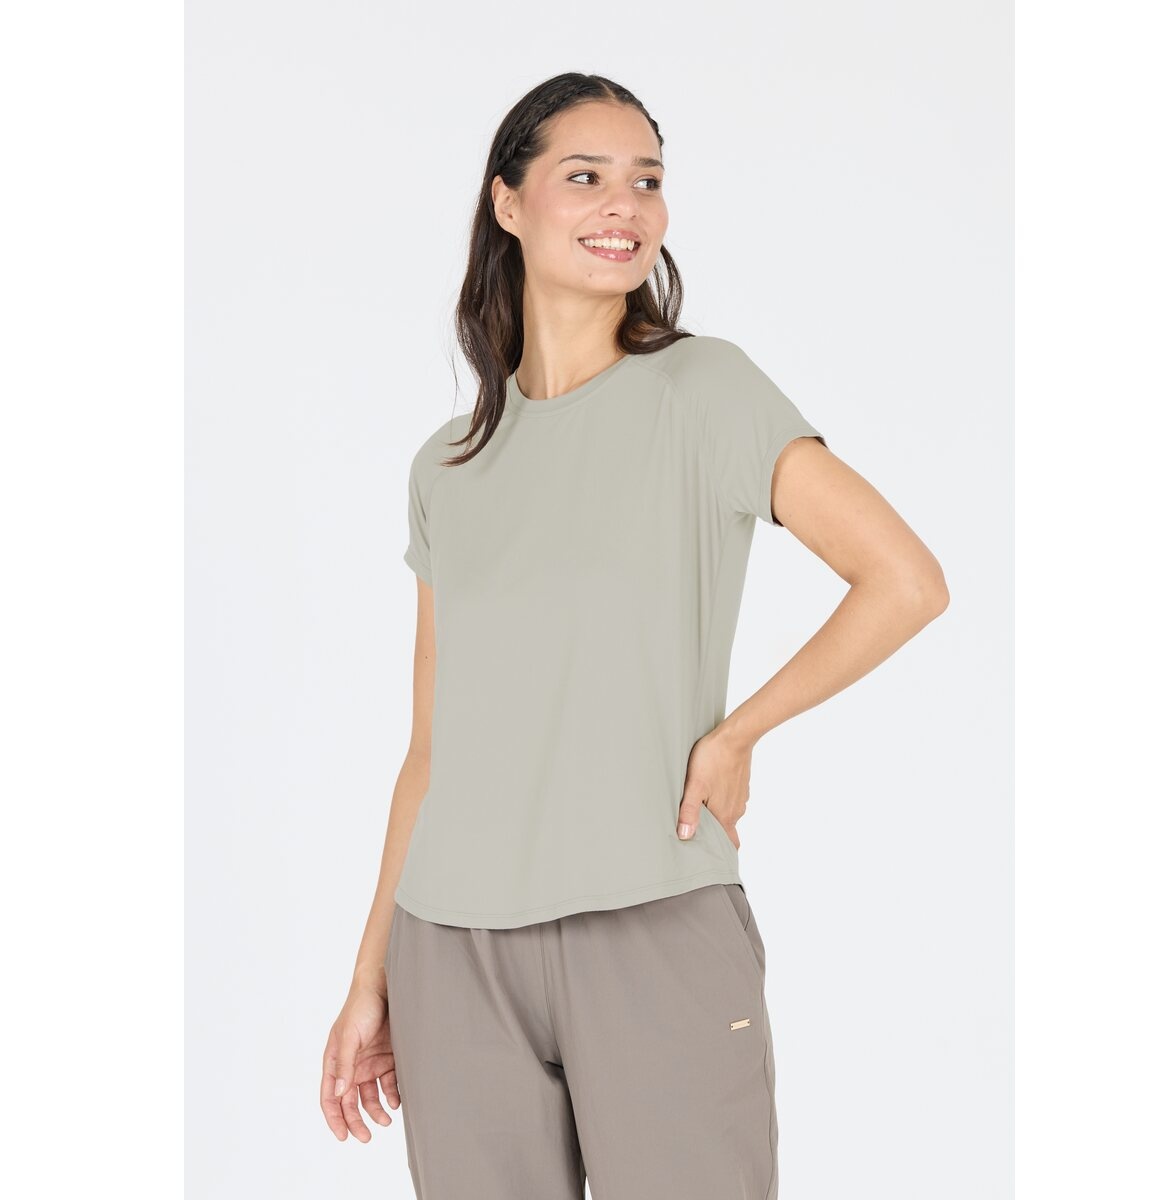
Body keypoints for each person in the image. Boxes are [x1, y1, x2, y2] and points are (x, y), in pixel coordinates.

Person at [320, 72, 949, 1199]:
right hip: (450, 952)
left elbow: (904, 580)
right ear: (508, 203)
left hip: (652, 920)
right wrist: (371, 976)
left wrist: (738, 733)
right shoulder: (449, 467)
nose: (626, 205)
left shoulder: (704, 392)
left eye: (646, 181)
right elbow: (431, 749)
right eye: (586, 176)